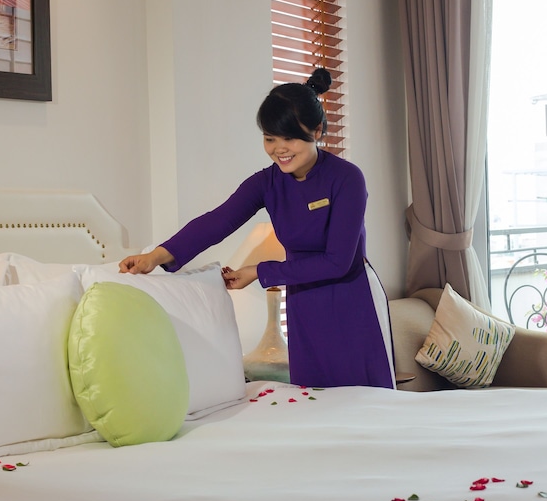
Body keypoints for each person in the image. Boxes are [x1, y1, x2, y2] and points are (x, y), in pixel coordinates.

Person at [119, 68, 396, 389]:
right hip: (304, 304)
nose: (279, 148)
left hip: (353, 303)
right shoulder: (267, 183)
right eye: (270, 138)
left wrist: (259, 271)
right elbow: (217, 220)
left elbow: (337, 262)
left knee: (366, 404)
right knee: (314, 403)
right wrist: (156, 256)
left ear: (317, 130)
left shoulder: (347, 178)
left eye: (289, 137)